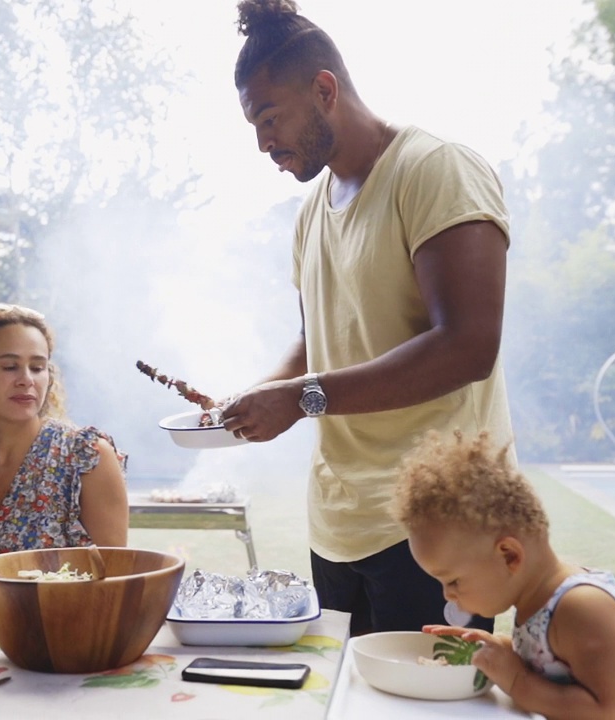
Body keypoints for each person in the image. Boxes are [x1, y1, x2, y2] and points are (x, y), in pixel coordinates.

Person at [217, 0, 515, 635]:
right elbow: (317, 338)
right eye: (254, 126)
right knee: (343, 702)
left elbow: (467, 346)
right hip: (339, 523)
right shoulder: (309, 214)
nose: (264, 143)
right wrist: (258, 398)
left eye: (271, 119)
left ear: (324, 89)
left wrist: (300, 399)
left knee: (429, 706)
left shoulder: (434, 170)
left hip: (439, 524)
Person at [394, 430, 615, 720]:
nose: (447, 595)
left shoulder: (580, 608)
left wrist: (518, 681)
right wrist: (500, 650)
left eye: (453, 580)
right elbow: (556, 666)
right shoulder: (538, 600)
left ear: (509, 555)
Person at [0, 303, 129, 554]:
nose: (26, 379)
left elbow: (117, 574)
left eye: (37, 367)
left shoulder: (85, 457)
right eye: (9, 367)